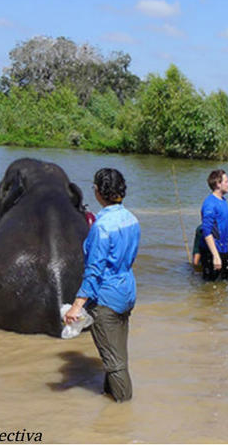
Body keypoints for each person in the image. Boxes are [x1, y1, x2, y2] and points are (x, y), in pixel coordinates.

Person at [64, 168, 140, 402]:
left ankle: (123, 413)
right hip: (127, 291)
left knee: (115, 363)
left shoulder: (101, 226)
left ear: (98, 192)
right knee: (116, 355)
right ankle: (110, 403)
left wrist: (77, 306)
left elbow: (94, 271)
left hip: (106, 297)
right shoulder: (132, 219)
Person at [200, 169, 228, 281]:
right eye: (227, 181)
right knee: (211, 287)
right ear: (218, 184)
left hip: (223, 250)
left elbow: (224, 228)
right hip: (212, 252)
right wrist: (215, 256)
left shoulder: (223, 201)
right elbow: (206, 231)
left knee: (225, 284)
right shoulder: (210, 204)